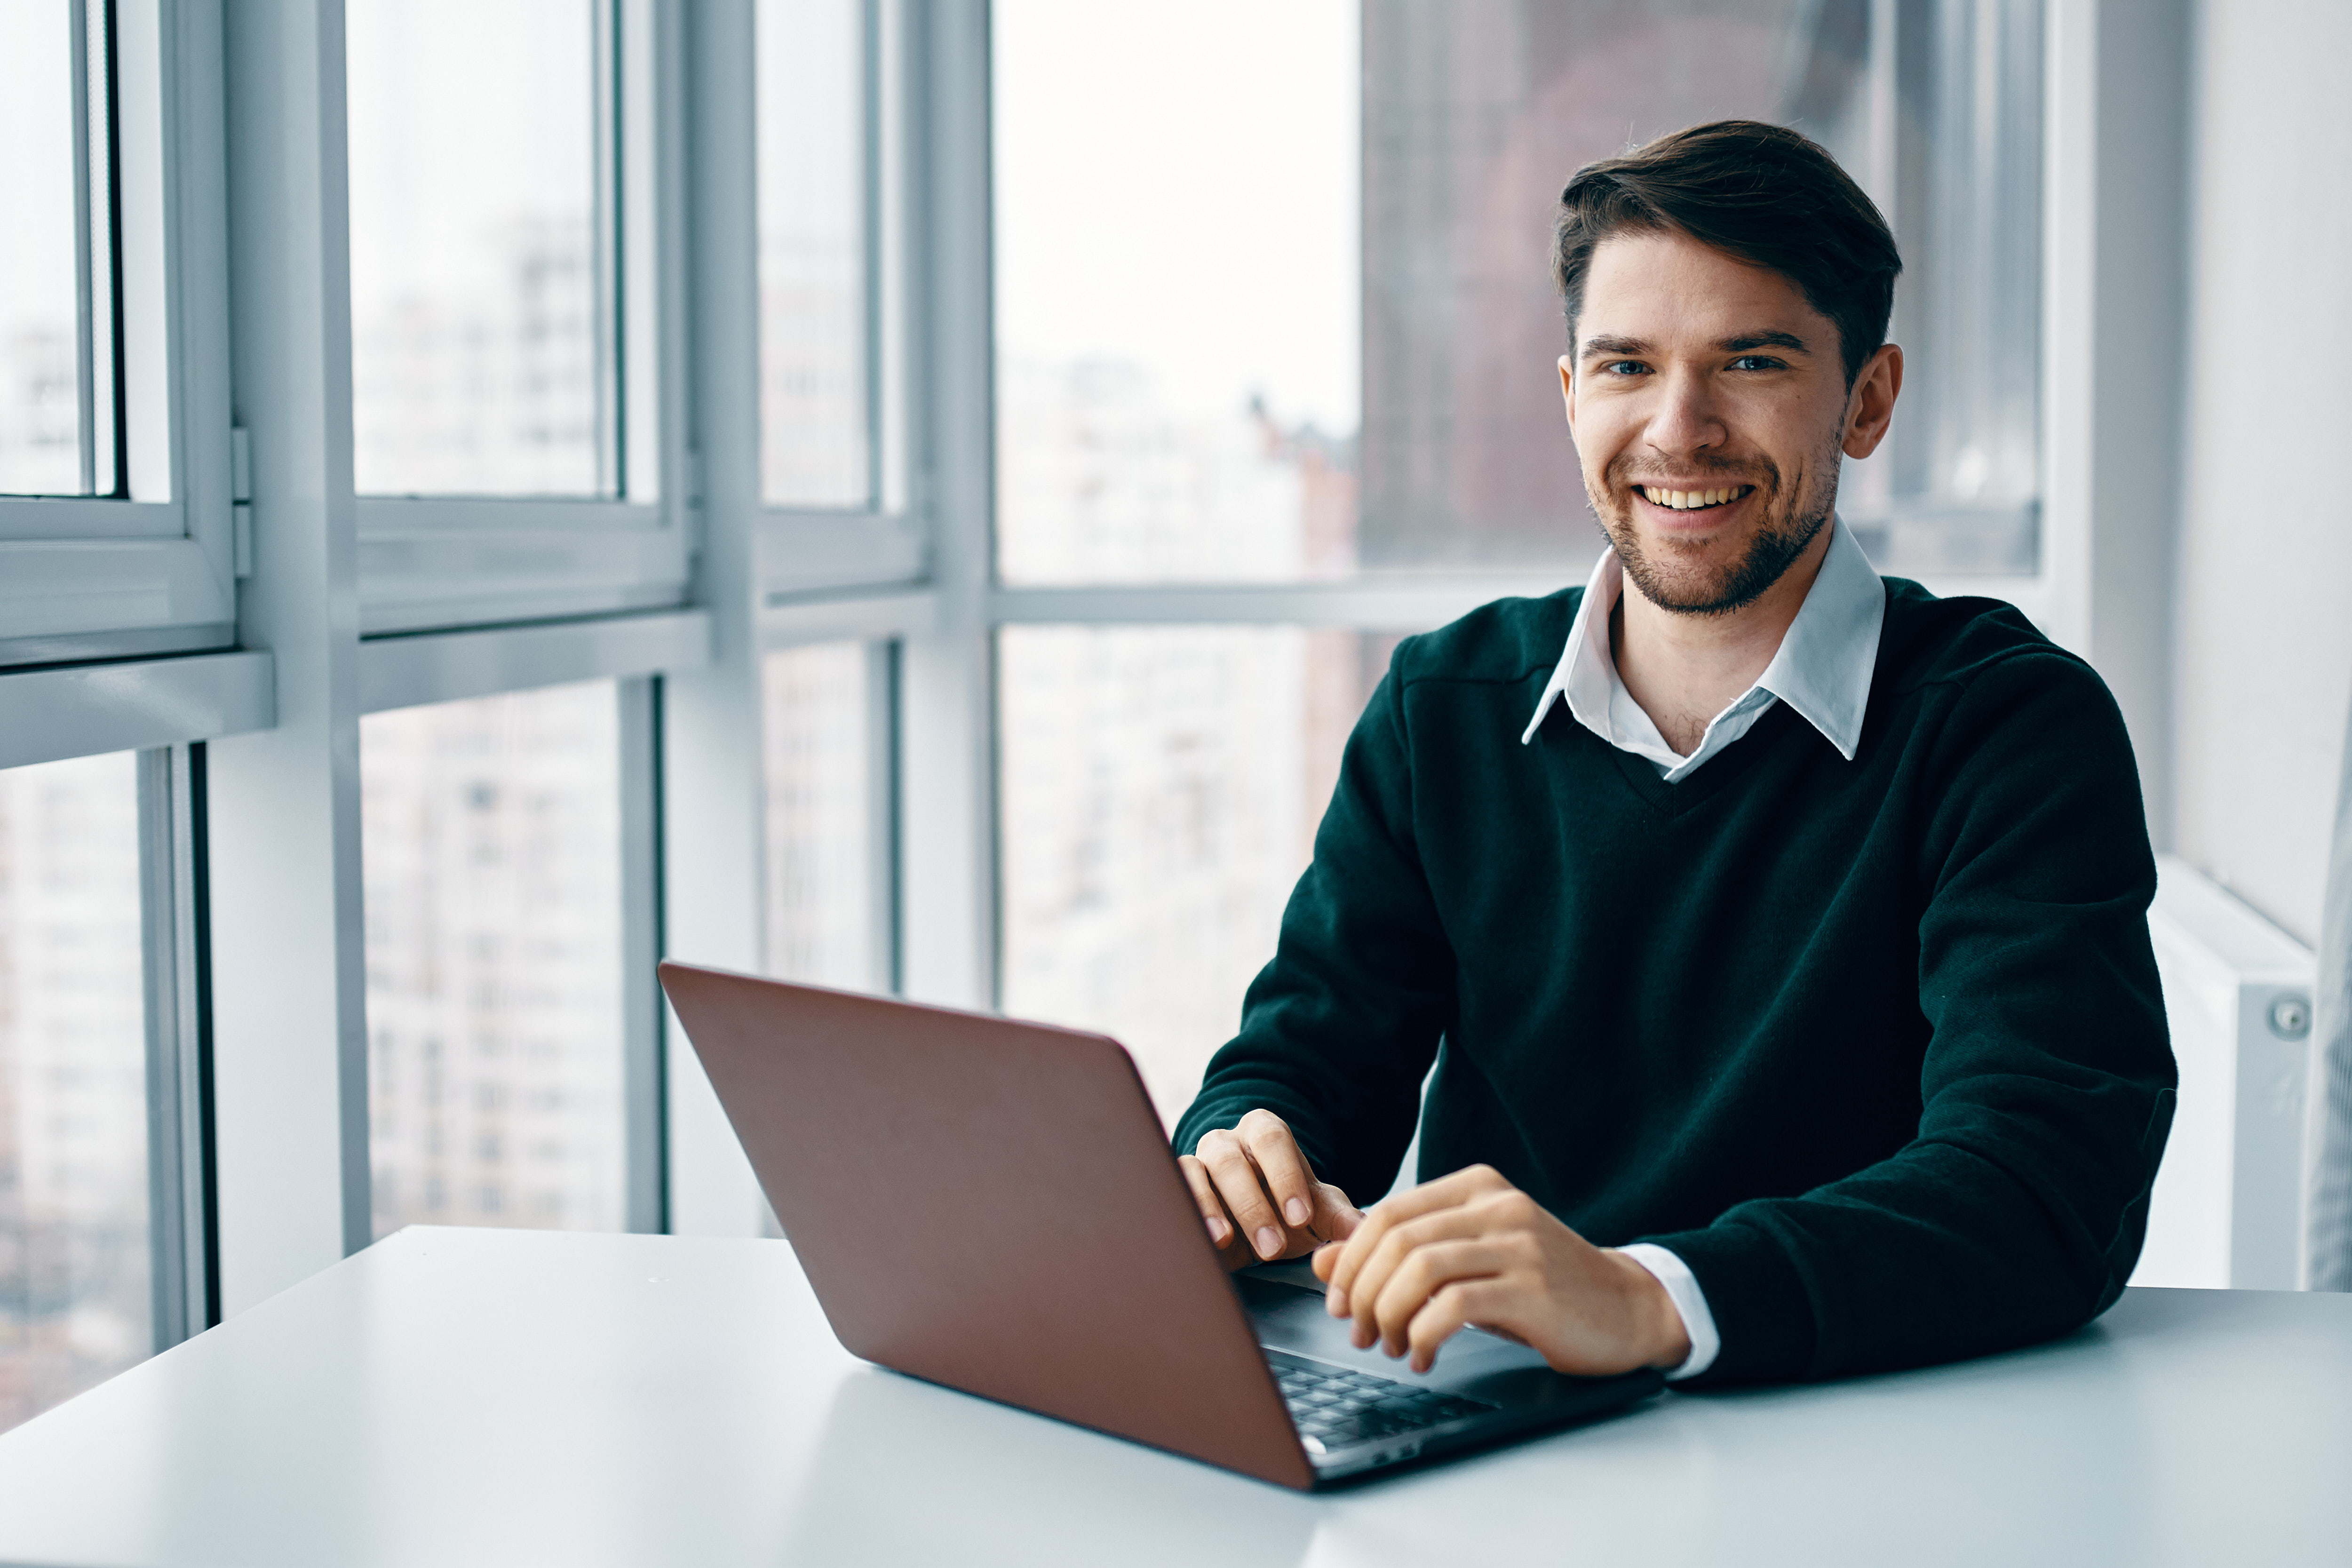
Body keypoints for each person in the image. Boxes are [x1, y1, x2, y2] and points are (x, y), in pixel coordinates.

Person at [1172, 120, 2177, 1388]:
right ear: (1571, 394)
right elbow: (1305, 1065)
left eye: (1750, 362)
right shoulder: (1446, 707)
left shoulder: (2011, 728)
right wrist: (1242, 1150)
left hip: (1877, 1433)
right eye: (1627, 366)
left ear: (1867, 400)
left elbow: (2044, 1189)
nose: (1678, 428)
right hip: (1495, 1427)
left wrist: (1648, 1296)